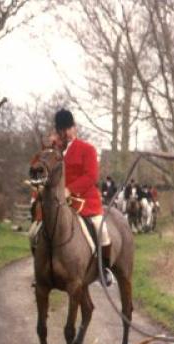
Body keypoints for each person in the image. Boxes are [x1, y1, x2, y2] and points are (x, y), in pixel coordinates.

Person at [53, 109, 114, 286]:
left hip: (85, 201)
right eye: (62, 130)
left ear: (74, 128)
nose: (66, 133)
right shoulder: (54, 151)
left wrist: (69, 190)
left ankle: (104, 269)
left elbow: (91, 176)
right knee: (39, 229)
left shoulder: (87, 149)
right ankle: (43, 269)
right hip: (59, 202)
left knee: (101, 230)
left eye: (68, 128)